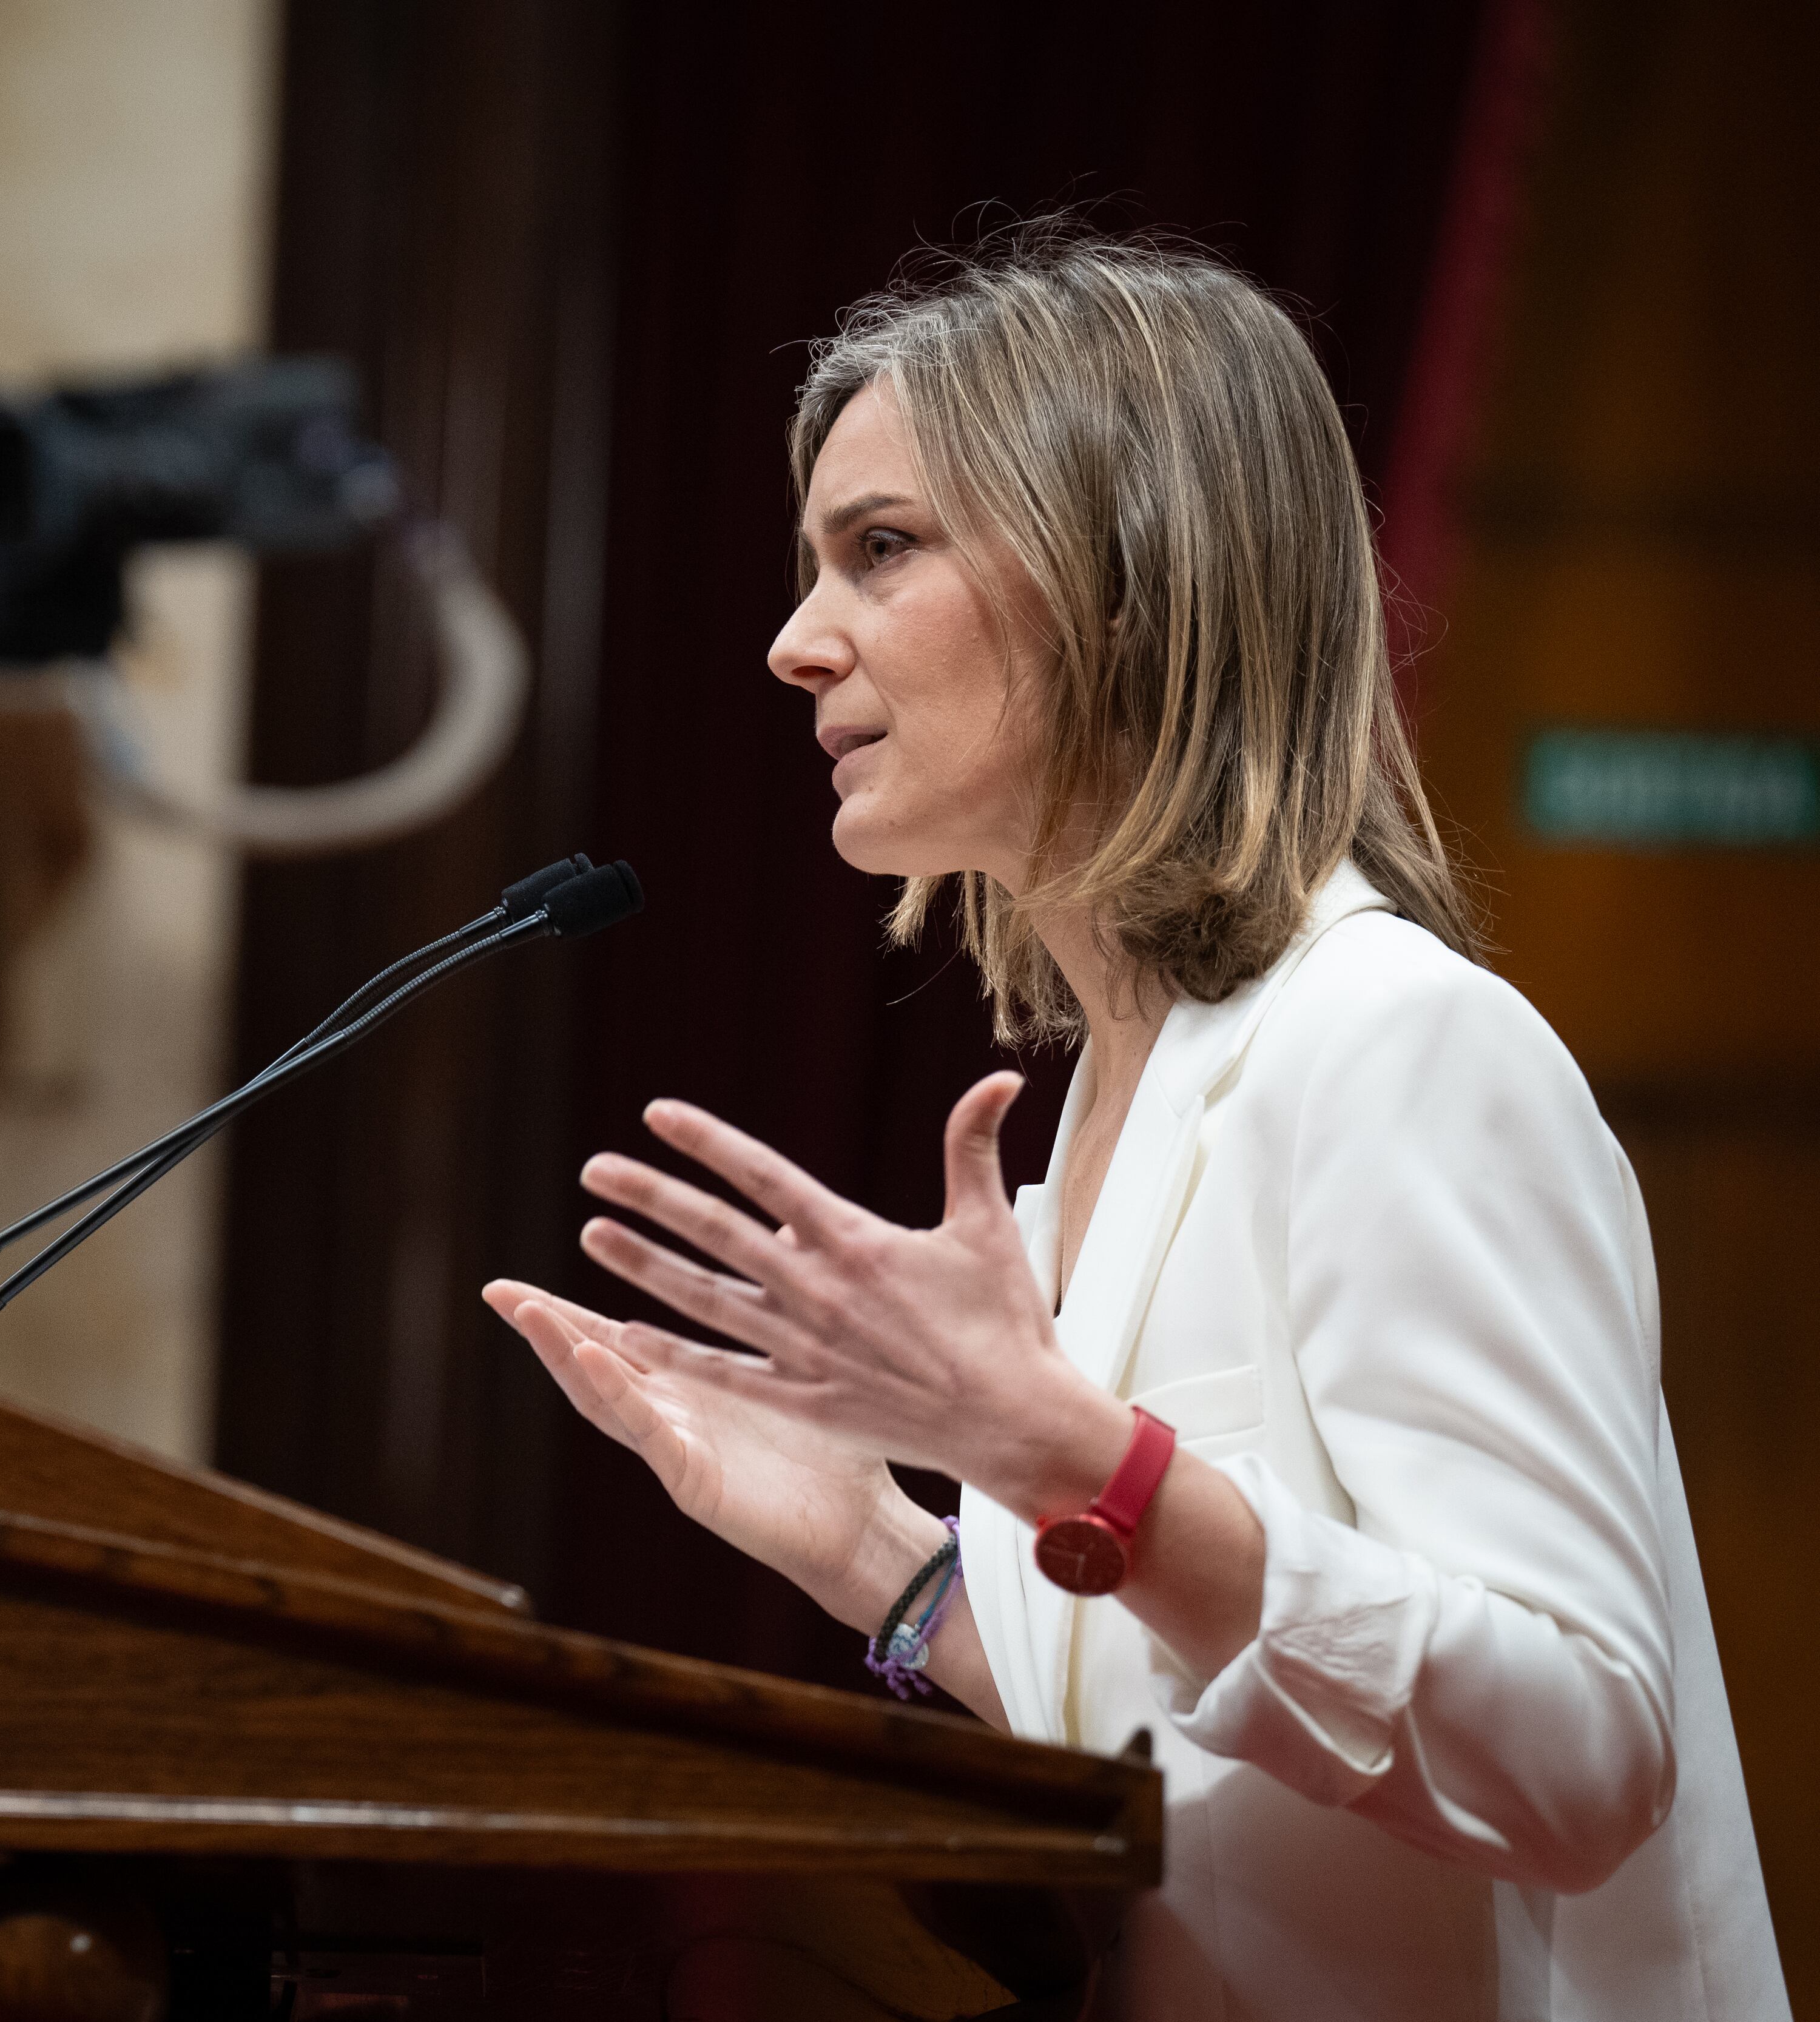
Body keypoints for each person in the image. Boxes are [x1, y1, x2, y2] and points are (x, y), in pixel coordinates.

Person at [481, 232, 1786, 2019]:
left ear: (1126, 578)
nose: (795, 644)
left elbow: (1579, 1755)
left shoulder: (1401, 1053)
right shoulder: (1118, 1101)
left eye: (881, 549)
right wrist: (868, 1549)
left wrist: (1087, 1471)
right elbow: (1199, 1766)